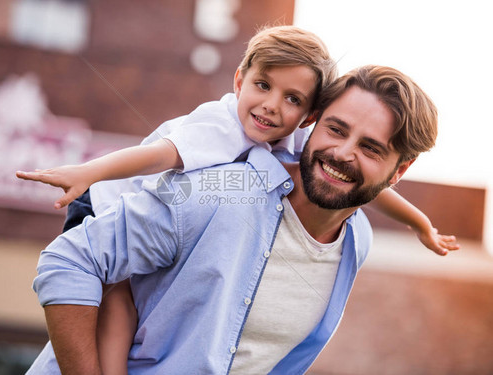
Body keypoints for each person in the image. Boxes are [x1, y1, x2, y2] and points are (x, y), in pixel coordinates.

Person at [27, 65, 459, 374]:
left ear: (398, 171)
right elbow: (70, 261)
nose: (343, 153)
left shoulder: (355, 242)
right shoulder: (221, 188)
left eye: (371, 148)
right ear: (314, 123)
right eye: (336, 130)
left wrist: (422, 226)